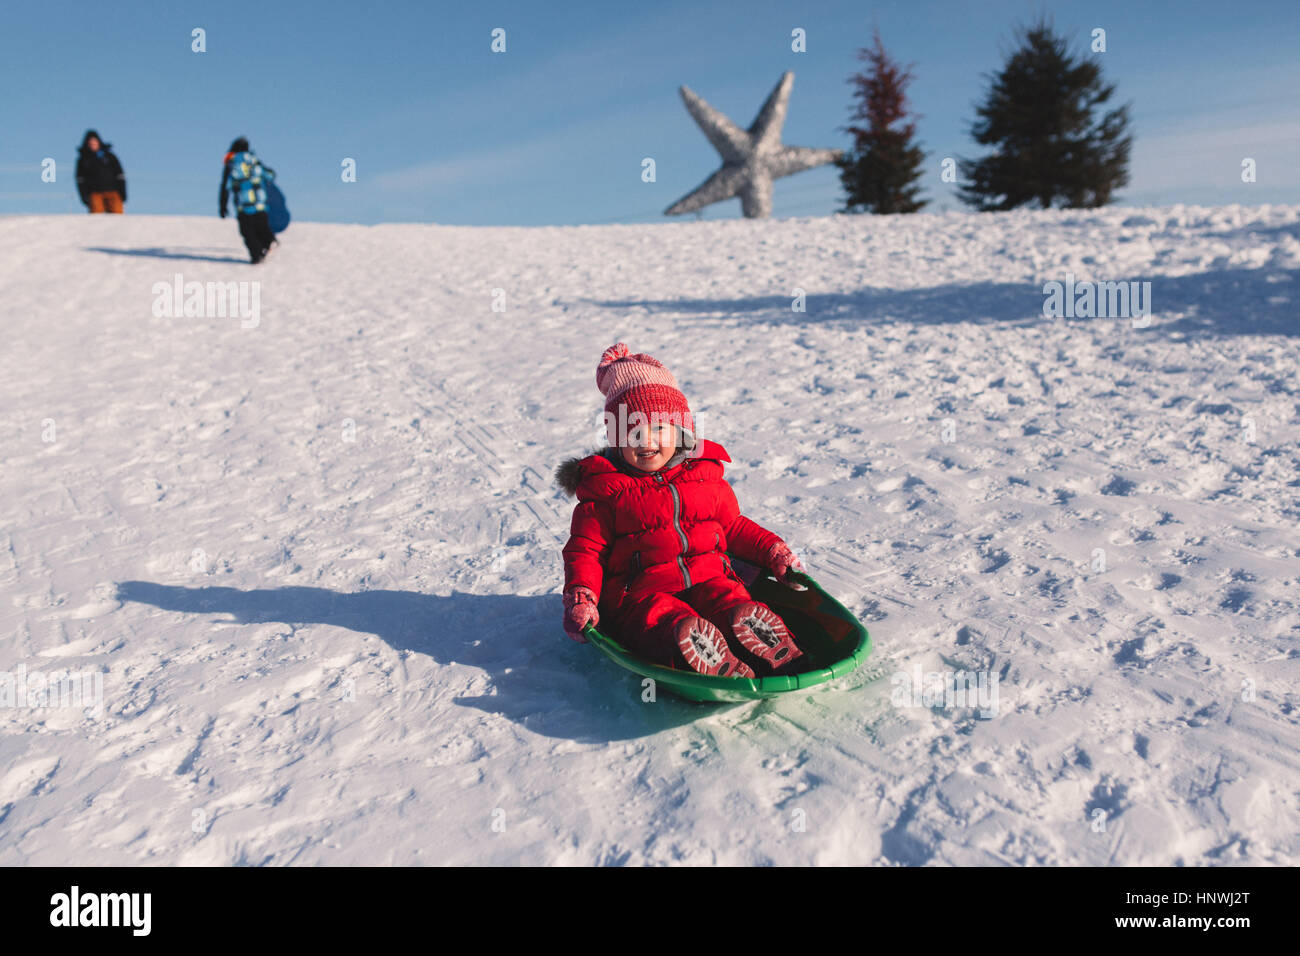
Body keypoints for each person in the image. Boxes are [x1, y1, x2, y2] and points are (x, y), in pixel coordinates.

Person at [556, 343, 807, 678]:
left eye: (659, 428)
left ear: (680, 431)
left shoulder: (703, 475)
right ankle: (699, 648)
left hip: (708, 575)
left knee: (728, 597)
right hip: (643, 591)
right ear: (616, 438)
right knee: (658, 618)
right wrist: (582, 594)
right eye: (633, 432)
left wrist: (773, 551)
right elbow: (587, 550)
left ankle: (763, 639)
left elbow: (731, 527)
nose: (646, 442)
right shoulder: (606, 491)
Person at [219, 137, 277, 263]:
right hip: (260, 204)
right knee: (262, 227)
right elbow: (270, 175)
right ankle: (269, 242)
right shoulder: (254, 161)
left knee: (248, 232)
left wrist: (223, 206)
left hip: (244, 206)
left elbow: (225, 187)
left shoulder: (232, 163)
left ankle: (257, 256)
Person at [76, 130, 126, 213]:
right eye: (90, 142)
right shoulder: (83, 159)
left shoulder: (110, 157)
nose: (92, 144)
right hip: (95, 194)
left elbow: (120, 175)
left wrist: (123, 193)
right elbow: (80, 179)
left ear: (98, 142)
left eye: (94, 141)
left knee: (117, 219)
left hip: (113, 192)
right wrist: (84, 196)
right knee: (96, 220)